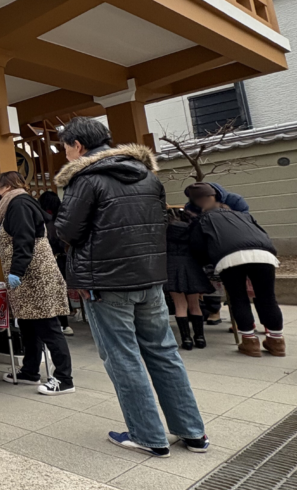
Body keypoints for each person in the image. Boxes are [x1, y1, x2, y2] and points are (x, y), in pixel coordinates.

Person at [55, 116, 208, 457]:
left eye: (65, 147)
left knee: (123, 357)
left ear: (78, 146)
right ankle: (193, 432)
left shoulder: (86, 179)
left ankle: (148, 435)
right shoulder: (148, 176)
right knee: (164, 353)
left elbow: (67, 230)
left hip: (106, 282)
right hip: (150, 276)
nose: (65, 154)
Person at [0, 173, 74, 395]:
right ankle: (30, 371)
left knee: (47, 326)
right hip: (26, 276)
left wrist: (17, 271)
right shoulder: (10, 206)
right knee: (29, 326)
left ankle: (64, 378)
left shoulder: (18, 204)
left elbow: (25, 239)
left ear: (5, 185)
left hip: (36, 275)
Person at [185, 183, 284, 357]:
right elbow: (261, 232)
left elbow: (198, 248)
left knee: (239, 299)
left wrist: (207, 264)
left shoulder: (202, 220)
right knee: (268, 298)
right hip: (264, 255)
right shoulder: (242, 214)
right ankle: (277, 342)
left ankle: (250, 342)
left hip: (229, 258)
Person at [166, 209, 213, 350]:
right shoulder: (193, 230)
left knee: (180, 305)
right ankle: (200, 338)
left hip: (172, 267)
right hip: (192, 267)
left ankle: (186, 339)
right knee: (195, 305)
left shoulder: (166, 231)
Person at [39, 190, 73, 336]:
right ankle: (65, 323)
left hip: (48, 260)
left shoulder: (41, 221)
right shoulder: (63, 220)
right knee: (61, 291)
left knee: (50, 292)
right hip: (65, 259)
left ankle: (56, 323)